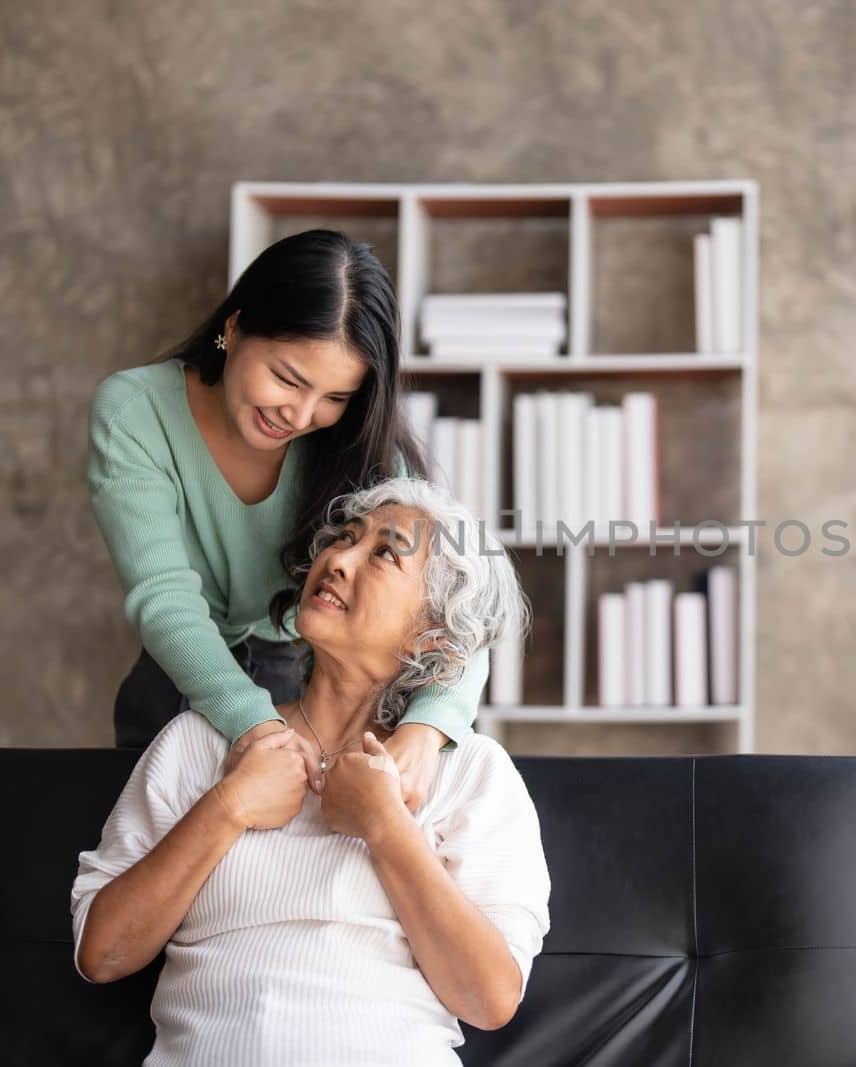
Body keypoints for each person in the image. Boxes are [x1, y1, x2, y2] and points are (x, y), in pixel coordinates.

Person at [71, 478, 548, 1066]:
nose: (338, 560)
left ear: (431, 633)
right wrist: (228, 806)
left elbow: (490, 999)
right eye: (343, 538)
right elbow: (104, 954)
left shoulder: (471, 772)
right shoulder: (199, 743)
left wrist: (386, 828)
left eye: (384, 554)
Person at [88, 228, 486, 810]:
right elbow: (164, 598)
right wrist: (257, 725)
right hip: (180, 675)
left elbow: (465, 615)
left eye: (335, 397)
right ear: (233, 326)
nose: (300, 416)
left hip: (312, 680)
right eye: (287, 379)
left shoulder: (362, 449)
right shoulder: (133, 412)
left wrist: (428, 729)